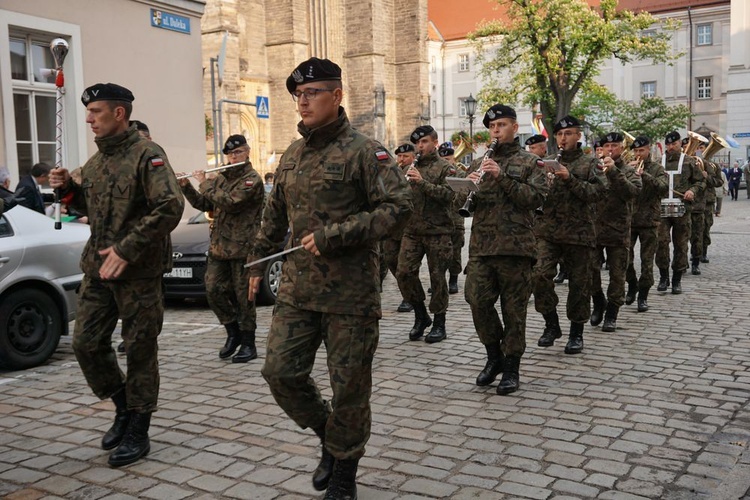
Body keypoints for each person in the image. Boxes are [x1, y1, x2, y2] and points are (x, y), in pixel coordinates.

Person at [246, 57, 412, 499]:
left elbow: (398, 208)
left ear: (337, 96)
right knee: (279, 372)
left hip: (350, 294)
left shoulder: (365, 150)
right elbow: (272, 215)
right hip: (299, 290)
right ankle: (328, 436)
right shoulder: (292, 155)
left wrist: (336, 236)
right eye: (297, 95)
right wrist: (258, 262)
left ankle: (344, 472)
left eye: (312, 92)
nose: (302, 101)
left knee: (350, 389)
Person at [48, 83, 184, 467]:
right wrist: (68, 190)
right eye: (88, 112)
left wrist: (127, 247)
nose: (89, 119)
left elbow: (170, 206)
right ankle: (124, 405)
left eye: (97, 112)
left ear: (119, 114)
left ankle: (138, 427)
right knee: (86, 344)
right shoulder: (95, 162)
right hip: (98, 270)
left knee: (140, 349)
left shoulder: (148, 155)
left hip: (138, 272)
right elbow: (86, 206)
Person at [465, 104, 547, 394]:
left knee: (514, 311)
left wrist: (502, 177)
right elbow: (463, 206)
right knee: (476, 301)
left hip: (516, 249)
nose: (495, 131)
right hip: (482, 248)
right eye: (492, 127)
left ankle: (511, 367)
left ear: (514, 127)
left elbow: (535, 199)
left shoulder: (529, 163)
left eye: (501, 125)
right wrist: (466, 189)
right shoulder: (478, 163)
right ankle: (494, 356)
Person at [178, 134, 264, 363]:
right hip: (219, 247)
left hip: (244, 248)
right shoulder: (221, 179)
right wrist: (187, 187)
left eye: (237, 152)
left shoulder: (252, 180)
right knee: (213, 290)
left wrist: (204, 182)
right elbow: (204, 204)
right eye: (229, 153)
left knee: (243, 297)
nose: (232, 157)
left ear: (247, 152)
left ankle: (248, 343)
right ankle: (232, 332)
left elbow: (231, 203)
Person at [533, 115, 606, 354]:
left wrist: (570, 178)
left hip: (579, 234)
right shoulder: (546, 162)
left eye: (569, 134)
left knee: (579, 285)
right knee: (540, 276)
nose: (563, 139)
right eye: (560, 135)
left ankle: (576, 333)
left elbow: (598, 193)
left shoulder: (590, 164)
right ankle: (551, 324)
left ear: (578, 136)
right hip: (548, 232)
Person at [396, 125, 455, 343]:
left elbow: (450, 195)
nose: (420, 147)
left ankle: (439, 323)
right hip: (412, 231)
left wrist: (423, 183)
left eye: (425, 142)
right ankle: (421, 315)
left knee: (437, 278)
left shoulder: (445, 168)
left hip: (438, 231)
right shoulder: (409, 167)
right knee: (404, 273)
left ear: (435, 143)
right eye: (418, 143)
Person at [588, 132, 642, 332]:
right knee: (590, 270)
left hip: (618, 230)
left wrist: (613, 172)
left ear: (622, 148)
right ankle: (598, 301)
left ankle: (612, 312)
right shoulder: (593, 169)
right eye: (607, 146)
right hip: (594, 229)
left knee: (618, 274)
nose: (611, 149)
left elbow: (633, 192)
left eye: (615, 145)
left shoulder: (629, 171)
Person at [655, 131, 705, 294]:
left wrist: (692, 191)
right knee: (661, 243)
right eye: (668, 144)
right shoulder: (658, 162)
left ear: (679, 144)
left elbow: (701, 181)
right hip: (662, 210)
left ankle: (677, 280)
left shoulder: (689, 161)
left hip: (682, 210)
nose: (671, 147)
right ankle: (664, 277)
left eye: (674, 144)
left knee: (681, 245)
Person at [624, 136, 668, 313]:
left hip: (650, 220)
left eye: (641, 150)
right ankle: (632, 284)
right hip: (631, 220)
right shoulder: (629, 167)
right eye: (635, 151)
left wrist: (645, 175)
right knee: (625, 259)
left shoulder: (657, 168)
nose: (638, 154)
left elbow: (663, 188)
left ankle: (643, 295)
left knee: (647, 261)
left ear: (648, 150)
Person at [382, 143, 416, 313]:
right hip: (392, 226)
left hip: (409, 227)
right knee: (390, 260)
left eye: (405, 157)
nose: (401, 160)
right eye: (399, 157)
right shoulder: (393, 171)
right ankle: (407, 291)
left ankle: (409, 297)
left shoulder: (415, 171)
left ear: (413, 157)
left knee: (405, 266)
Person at [438, 141, 465, 295]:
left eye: (448, 160)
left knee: (455, 252)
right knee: (439, 253)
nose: (446, 163)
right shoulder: (438, 173)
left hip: (456, 219)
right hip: (440, 219)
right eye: (443, 160)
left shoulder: (460, 174)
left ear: (454, 159)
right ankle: (439, 279)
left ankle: (453, 280)